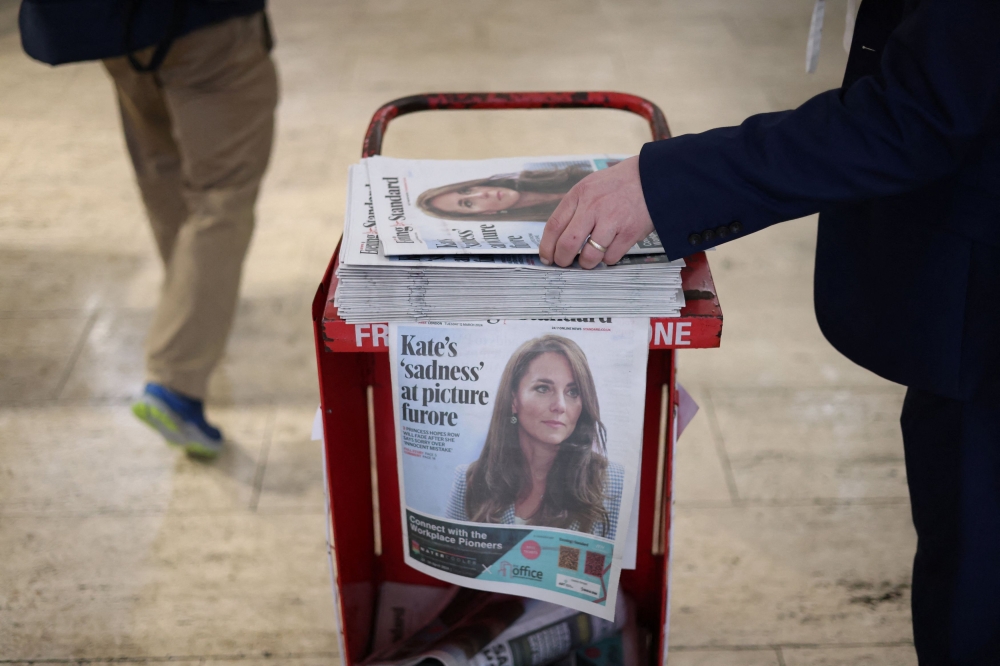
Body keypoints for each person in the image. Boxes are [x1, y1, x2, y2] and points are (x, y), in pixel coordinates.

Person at [539, 0, 1000, 662]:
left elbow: (920, 113)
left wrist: (664, 184)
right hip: (960, 318)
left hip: (984, 322)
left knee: (975, 594)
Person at [19, 0, 278, 457]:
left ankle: (190, 309)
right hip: (208, 26)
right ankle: (177, 381)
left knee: (163, 174)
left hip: (115, 30)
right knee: (222, 194)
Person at [446, 335, 623, 540]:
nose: (560, 405)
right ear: (514, 400)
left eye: (573, 392)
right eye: (543, 388)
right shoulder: (469, 479)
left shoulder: (613, 480)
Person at [417, 163, 602, 222]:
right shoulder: (539, 222)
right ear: (486, 214)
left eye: (467, 190)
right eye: (468, 203)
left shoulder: (540, 170)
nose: (481, 195)